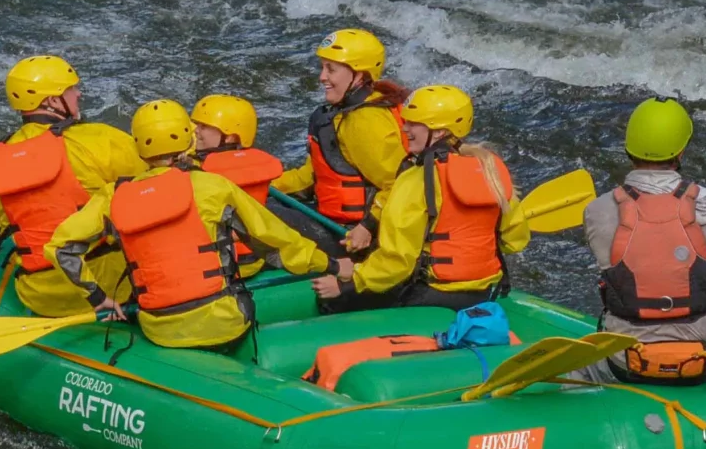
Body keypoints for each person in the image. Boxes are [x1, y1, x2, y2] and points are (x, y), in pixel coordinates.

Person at [45, 101, 332, 352]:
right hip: (226, 327)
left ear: (137, 144)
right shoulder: (213, 187)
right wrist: (331, 266)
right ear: (188, 141)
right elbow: (277, 243)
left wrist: (98, 298)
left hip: (160, 332)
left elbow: (61, 247)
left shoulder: (113, 196)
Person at [581, 97, 706, 381]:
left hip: (624, 363)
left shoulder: (597, 212)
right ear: (681, 152)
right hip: (698, 363)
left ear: (628, 149)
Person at [0, 55, 141, 318]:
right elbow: (155, 182)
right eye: (70, 89)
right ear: (51, 101)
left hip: (41, 297)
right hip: (113, 286)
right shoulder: (101, 140)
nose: (79, 93)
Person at [313, 83, 527, 313]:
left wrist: (352, 281)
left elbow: (397, 262)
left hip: (429, 294)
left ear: (440, 132)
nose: (405, 129)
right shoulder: (490, 169)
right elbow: (515, 242)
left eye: (415, 123)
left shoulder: (416, 179)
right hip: (482, 292)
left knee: (331, 301)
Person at [272, 27, 405, 257]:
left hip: (356, 237)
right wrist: (261, 186)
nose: (322, 77)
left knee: (259, 213)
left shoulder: (364, 122)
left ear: (360, 75)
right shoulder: (348, 112)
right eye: (323, 68)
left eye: (331, 69)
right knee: (256, 201)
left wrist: (368, 226)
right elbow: (310, 176)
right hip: (341, 222)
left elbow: (401, 184)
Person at [192, 93, 286, 279]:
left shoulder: (200, 172)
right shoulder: (256, 165)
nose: (196, 131)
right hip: (254, 258)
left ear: (229, 137)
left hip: (223, 265)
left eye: (203, 126)